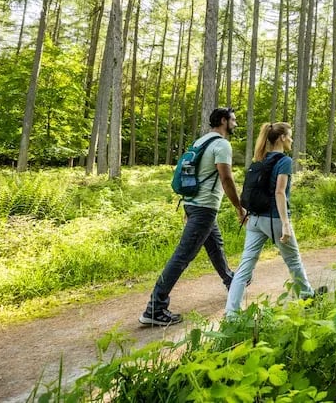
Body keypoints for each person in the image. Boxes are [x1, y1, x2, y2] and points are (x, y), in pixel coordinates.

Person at [140, 107, 246, 326]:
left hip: (193, 204)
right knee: (182, 256)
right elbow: (226, 179)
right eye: (233, 120)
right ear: (224, 121)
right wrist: (239, 207)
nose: (235, 124)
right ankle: (155, 308)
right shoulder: (221, 144)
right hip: (204, 207)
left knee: (216, 246)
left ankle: (231, 281)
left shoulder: (201, 141)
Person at [225, 122, 326, 316]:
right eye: (289, 135)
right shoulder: (284, 161)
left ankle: (231, 314)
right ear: (281, 138)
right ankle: (307, 296)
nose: (291, 139)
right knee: (293, 261)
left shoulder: (258, 159)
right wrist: (286, 224)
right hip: (274, 220)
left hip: (254, 219)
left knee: (245, 266)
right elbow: (280, 193)